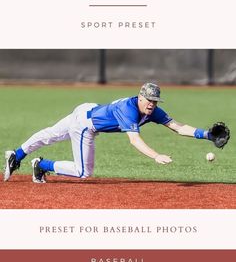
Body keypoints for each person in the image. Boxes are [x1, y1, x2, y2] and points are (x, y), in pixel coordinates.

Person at [2, 82, 223, 183]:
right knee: (83, 173)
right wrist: (156, 155)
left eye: (155, 101)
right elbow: (134, 140)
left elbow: (178, 126)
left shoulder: (151, 110)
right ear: (139, 97)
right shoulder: (128, 109)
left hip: (87, 109)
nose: (152, 104)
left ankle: (17, 154)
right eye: (149, 100)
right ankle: (41, 165)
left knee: (50, 134)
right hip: (85, 125)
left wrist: (207, 135)